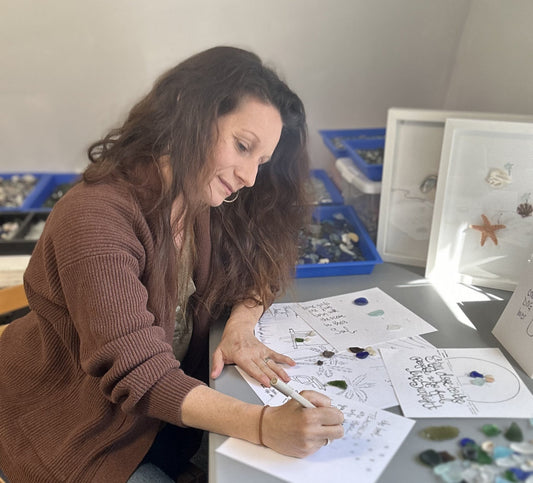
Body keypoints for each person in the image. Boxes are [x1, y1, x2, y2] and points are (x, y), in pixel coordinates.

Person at [0, 46, 344, 483]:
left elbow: (263, 263)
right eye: (242, 146)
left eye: (261, 162)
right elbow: (138, 372)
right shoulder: (94, 218)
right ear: (188, 111)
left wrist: (240, 328)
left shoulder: (198, 195)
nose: (250, 176)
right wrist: (263, 426)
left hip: (158, 422)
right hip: (72, 430)